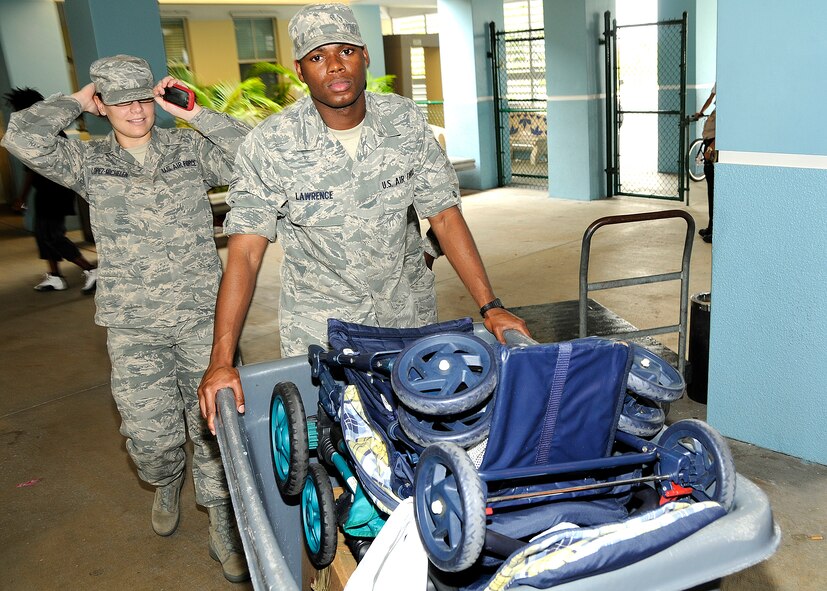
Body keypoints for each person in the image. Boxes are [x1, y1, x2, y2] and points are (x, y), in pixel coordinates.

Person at [197, 3, 531, 435]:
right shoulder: (271, 146)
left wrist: (491, 307)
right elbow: (244, 254)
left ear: (365, 56)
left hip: (405, 318)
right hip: (324, 333)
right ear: (300, 69)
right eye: (317, 57)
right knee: (332, 450)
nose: (335, 66)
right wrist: (221, 361)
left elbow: (445, 216)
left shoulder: (405, 123)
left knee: (419, 435)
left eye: (345, 51)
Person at [1, 55, 251, 583]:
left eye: (142, 98)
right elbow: (21, 136)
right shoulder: (87, 162)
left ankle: (222, 522)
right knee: (149, 435)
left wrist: (196, 113)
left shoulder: (188, 148)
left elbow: (252, 152)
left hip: (205, 319)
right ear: (102, 106)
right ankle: (164, 480)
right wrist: (74, 100)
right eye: (120, 100)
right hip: (134, 325)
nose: (135, 110)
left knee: (217, 428)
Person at [5, 88, 98, 293]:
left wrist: (21, 196)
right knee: (42, 234)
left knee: (52, 235)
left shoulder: (48, 129)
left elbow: (39, 168)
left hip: (56, 189)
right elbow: (30, 169)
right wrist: (23, 196)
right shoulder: (33, 130)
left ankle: (91, 270)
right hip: (45, 190)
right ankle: (55, 276)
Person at [693, 83, 716, 243]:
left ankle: (715, 230)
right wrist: (700, 113)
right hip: (709, 145)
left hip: (713, 148)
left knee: (714, 191)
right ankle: (711, 226)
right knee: (710, 190)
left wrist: (711, 148)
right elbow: (711, 97)